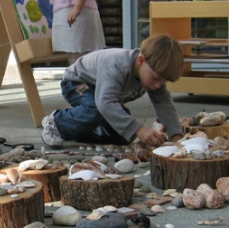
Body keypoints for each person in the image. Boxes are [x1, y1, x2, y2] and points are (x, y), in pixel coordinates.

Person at [41, 34, 185, 149]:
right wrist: (140, 129)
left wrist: (177, 139)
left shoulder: (152, 74)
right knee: (97, 110)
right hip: (78, 82)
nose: (158, 85)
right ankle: (56, 122)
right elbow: (105, 103)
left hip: (102, 93)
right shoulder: (117, 65)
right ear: (141, 61)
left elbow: (165, 106)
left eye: (163, 82)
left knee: (123, 136)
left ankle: (75, 125)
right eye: (156, 78)